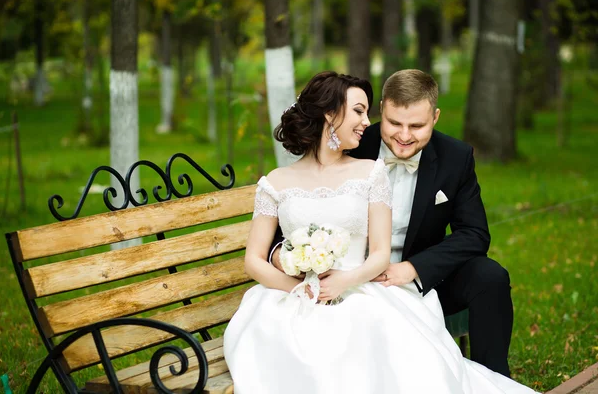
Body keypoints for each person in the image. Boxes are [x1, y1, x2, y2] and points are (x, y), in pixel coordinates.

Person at [223, 71, 538, 394]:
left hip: (415, 276)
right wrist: (288, 262)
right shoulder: (354, 142)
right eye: (393, 123)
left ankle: (495, 375)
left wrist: (413, 269)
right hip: (332, 280)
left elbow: (474, 233)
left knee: (490, 277)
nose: (403, 136)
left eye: (416, 126)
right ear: (382, 109)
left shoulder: (455, 158)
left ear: (435, 117)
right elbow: (295, 221)